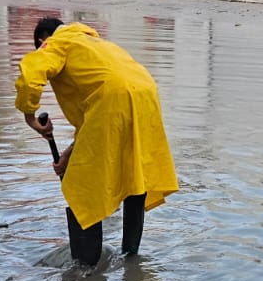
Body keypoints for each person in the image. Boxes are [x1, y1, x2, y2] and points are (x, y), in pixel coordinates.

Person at [15, 16, 178, 265]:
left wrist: (30, 117)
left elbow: (30, 75)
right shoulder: (98, 44)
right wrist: (68, 154)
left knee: (81, 183)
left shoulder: (57, 42)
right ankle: (130, 258)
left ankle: (85, 266)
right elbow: (96, 120)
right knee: (135, 175)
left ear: (42, 39)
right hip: (145, 95)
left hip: (113, 100)